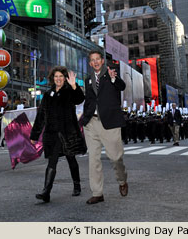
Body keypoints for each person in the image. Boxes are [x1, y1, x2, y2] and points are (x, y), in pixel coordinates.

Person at [30, 66, 86, 203]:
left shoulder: (69, 92)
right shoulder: (48, 94)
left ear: (65, 78)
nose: (58, 79)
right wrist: (34, 135)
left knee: (71, 159)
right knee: (52, 161)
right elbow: (41, 115)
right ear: (52, 78)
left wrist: (74, 86)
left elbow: (79, 99)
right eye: (56, 76)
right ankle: (46, 192)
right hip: (53, 134)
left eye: (61, 76)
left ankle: (77, 185)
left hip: (68, 132)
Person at [82, 50, 128, 205]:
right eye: (92, 60)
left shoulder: (111, 75)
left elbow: (122, 86)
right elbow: (89, 100)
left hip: (110, 123)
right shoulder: (88, 80)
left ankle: (122, 181)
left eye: (97, 59)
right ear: (90, 63)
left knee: (115, 158)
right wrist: (85, 118)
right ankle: (97, 193)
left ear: (102, 61)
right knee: (93, 159)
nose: (95, 62)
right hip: (92, 124)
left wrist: (114, 79)